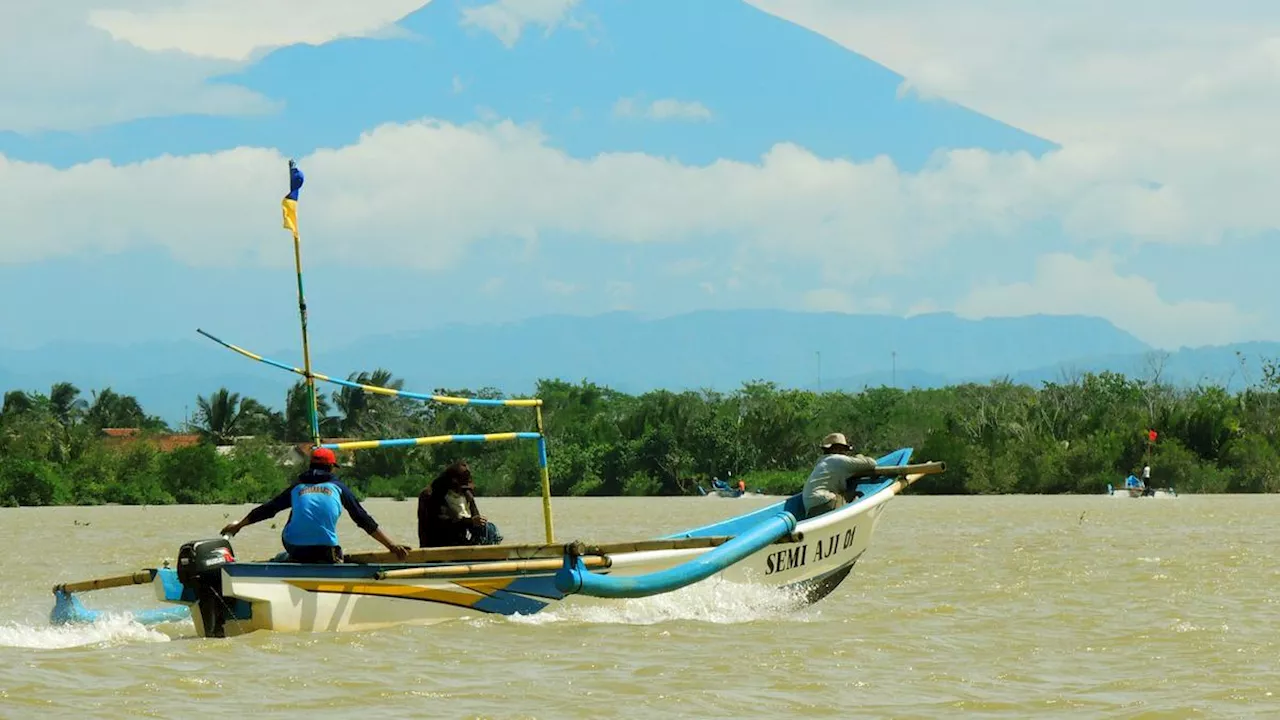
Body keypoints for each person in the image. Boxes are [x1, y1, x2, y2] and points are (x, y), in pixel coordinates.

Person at [220, 447, 410, 563]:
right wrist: (392, 546)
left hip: (294, 546)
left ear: (310, 466)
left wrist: (238, 526)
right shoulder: (338, 488)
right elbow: (363, 519)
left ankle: (289, 558)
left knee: (297, 508)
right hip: (326, 551)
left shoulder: (297, 487)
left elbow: (268, 510)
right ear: (331, 468)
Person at [417, 461, 503, 548]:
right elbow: (439, 525)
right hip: (436, 544)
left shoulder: (467, 495)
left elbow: (475, 520)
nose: (462, 491)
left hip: (459, 543)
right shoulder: (430, 495)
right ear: (453, 482)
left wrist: (479, 524)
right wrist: (469, 522)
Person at [802, 433, 878, 519]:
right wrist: (859, 456)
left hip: (811, 507)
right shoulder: (838, 460)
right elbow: (872, 463)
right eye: (844, 450)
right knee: (858, 495)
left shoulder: (820, 461)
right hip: (824, 501)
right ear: (838, 449)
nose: (845, 453)